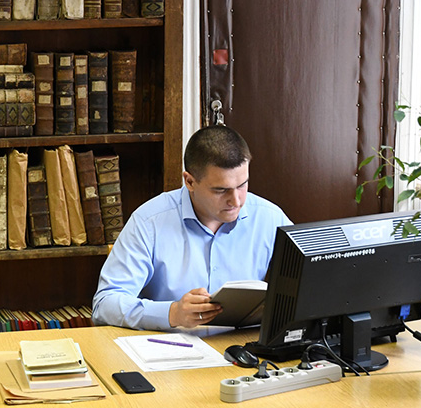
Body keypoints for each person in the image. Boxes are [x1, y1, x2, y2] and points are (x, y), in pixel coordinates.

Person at [92, 125, 291, 330]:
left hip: (245, 343)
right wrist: (172, 313)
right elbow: (104, 304)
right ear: (189, 181)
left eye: (242, 185)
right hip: (171, 344)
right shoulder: (149, 222)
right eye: (221, 190)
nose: (236, 201)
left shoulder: (270, 217)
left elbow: (305, 287)